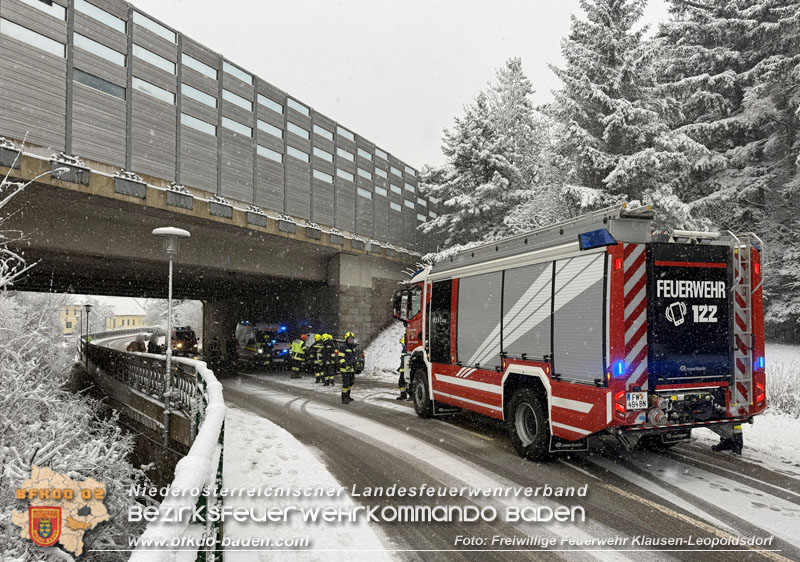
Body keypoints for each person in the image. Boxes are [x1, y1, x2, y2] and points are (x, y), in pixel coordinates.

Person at [339, 331, 357, 404]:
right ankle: (344, 398)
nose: (350, 340)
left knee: (351, 382)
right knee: (346, 383)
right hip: (345, 369)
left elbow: (354, 357)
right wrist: (345, 364)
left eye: (352, 339)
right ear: (346, 339)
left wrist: (355, 365)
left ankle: (348, 396)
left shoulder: (353, 347)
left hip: (351, 368)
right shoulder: (343, 346)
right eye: (349, 339)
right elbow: (341, 357)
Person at [396, 335, 410, 400]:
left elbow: (405, 359)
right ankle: (404, 394)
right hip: (404, 369)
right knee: (403, 382)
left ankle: (405, 395)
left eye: (402, 343)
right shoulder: (405, 349)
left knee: (403, 382)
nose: (401, 345)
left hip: (405, 369)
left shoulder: (405, 349)